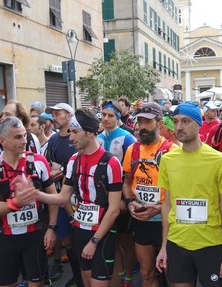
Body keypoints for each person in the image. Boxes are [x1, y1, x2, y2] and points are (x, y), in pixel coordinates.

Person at [37, 108, 123, 287]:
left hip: (102, 234)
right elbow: (62, 198)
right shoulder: (74, 160)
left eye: (75, 132)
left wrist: (95, 240)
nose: (70, 138)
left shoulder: (111, 163)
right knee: (87, 282)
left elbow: (114, 209)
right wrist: (35, 194)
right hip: (80, 230)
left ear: (90, 133)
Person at [155, 101, 222, 287]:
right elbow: (167, 204)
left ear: (198, 123)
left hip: (210, 244)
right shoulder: (168, 159)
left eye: (185, 121)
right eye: (175, 122)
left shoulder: (219, 160)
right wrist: (164, 247)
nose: (178, 127)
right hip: (177, 242)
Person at [0, 117, 58, 286]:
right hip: (7, 237)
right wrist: (17, 202)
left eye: (25, 135)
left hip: (35, 235)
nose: (24, 141)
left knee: (37, 282)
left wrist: (52, 227)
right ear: (2, 141)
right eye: (17, 137)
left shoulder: (38, 161)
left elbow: (54, 198)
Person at [123, 102, 177, 287]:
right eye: (140, 122)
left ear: (160, 123)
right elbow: (127, 181)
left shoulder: (172, 151)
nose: (142, 127)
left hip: (165, 221)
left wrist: (160, 208)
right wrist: (129, 201)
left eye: (148, 122)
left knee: (171, 274)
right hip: (141, 219)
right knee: (146, 272)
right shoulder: (133, 150)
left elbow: (181, 192)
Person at [96, 100, 137, 287]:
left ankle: (128, 277)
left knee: (125, 240)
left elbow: (132, 174)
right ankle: (119, 275)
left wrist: (124, 198)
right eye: (103, 115)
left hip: (121, 197)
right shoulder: (98, 137)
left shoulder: (127, 138)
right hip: (104, 197)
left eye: (111, 115)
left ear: (118, 117)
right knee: (111, 240)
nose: (106, 118)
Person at [44, 103, 80, 285]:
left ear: (69, 116)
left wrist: (63, 169)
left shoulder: (78, 138)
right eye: (53, 114)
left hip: (79, 197)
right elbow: (50, 166)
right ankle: (75, 275)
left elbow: (78, 164)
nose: (54, 117)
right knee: (66, 239)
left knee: (80, 239)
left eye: (58, 114)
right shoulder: (53, 140)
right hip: (59, 196)